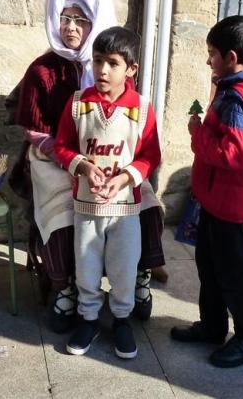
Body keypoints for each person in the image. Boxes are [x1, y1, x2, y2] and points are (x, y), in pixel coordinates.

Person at [15, 0, 166, 333]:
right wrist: (73, 160)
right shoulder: (42, 70)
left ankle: (137, 276)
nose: (70, 27)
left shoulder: (111, 67)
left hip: (112, 160)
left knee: (147, 205)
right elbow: (36, 129)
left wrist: (120, 171)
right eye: (64, 17)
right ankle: (67, 288)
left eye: (80, 19)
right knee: (64, 214)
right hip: (54, 156)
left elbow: (139, 138)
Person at [170, 15, 243, 368]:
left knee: (232, 273)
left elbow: (233, 155)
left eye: (212, 53)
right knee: (209, 263)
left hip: (228, 202)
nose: (208, 61)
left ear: (231, 57)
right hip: (218, 198)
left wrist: (197, 133)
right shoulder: (235, 88)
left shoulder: (238, 99)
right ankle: (213, 326)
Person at [54, 27, 161, 359]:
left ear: (131, 69)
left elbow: (150, 155)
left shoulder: (141, 108)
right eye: (98, 60)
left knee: (124, 267)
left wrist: (126, 178)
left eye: (113, 63)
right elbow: (62, 147)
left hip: (125, 209)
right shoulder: (78, 104)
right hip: (86, 206)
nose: (103, 70)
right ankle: (88, 318)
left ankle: (121, 319)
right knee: (86, 266)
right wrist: (84, 167)